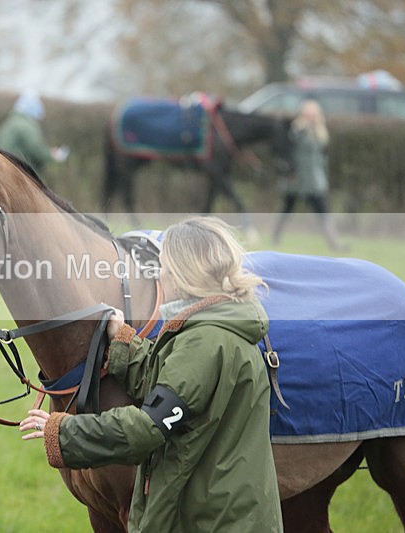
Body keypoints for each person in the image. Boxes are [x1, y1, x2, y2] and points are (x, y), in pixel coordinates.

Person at [20, 216, 283, 532]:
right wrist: (124, 343)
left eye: (165, 267)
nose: (160, 275)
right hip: (227, 514)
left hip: (213, 522)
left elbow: (148, 428)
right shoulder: (219, 328)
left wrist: (63, 431)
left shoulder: (205, 342)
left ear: (186, 274)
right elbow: (175, 387)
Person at [272, 99, 343, 250]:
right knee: (287, 209)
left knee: (323, 212)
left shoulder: (320, 132)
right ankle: (275, 237)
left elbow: (321, 159)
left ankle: (334, 243)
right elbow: (287, 152)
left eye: (313, 114)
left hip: (314, 181)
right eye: (308, 114)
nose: (311, 117)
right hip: (296, 179)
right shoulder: (296, 130)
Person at [0, 91, 68, 174]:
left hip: (5, 170)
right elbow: (37, 151)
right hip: (17, 172)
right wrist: (53, 155)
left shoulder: (10, 122)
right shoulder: (26, 126)